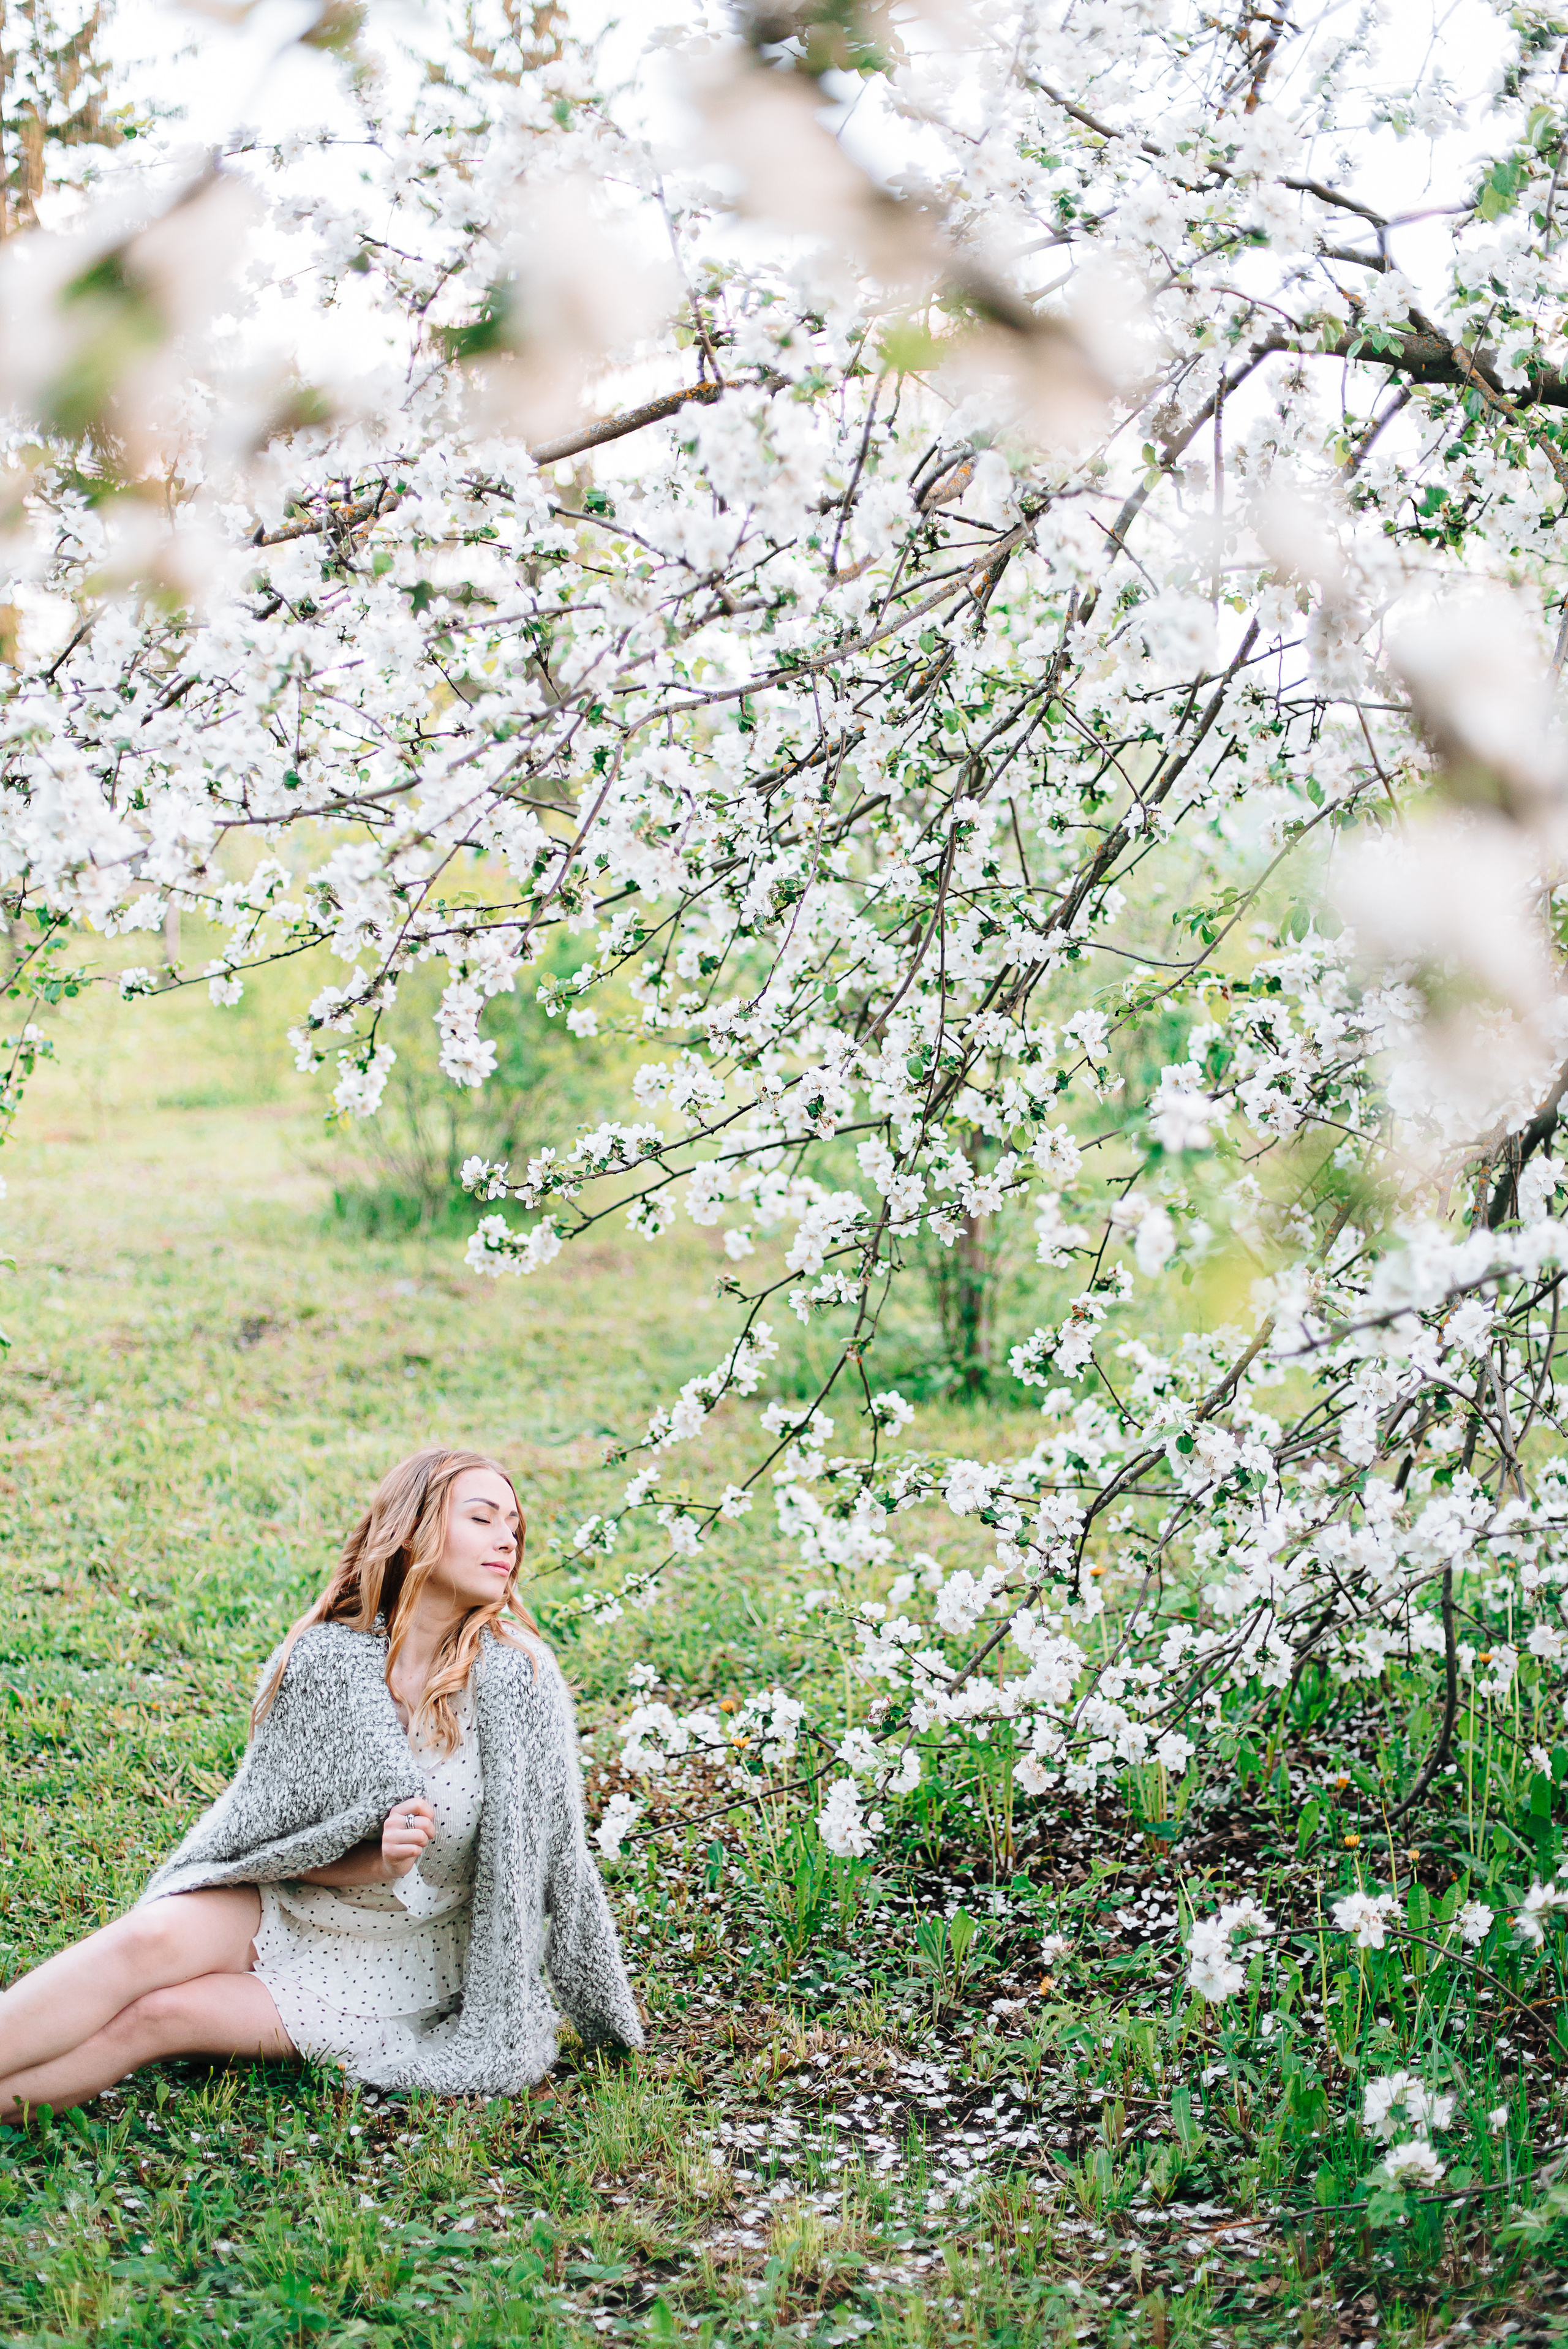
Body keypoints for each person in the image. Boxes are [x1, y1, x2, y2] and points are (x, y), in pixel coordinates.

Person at [0, 1445, 643, 2121]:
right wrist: (377, 1857)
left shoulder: (520, 1681)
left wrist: (604, 2015)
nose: (507, 1537)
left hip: (404, 1960)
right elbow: (276, 1841)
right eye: (482, 1518)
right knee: (145, 1940)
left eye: (513, 1523)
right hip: (290, 1902)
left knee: (159, 2016)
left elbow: (561, 1869)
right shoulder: (325, 1661)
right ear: (413, 1529)